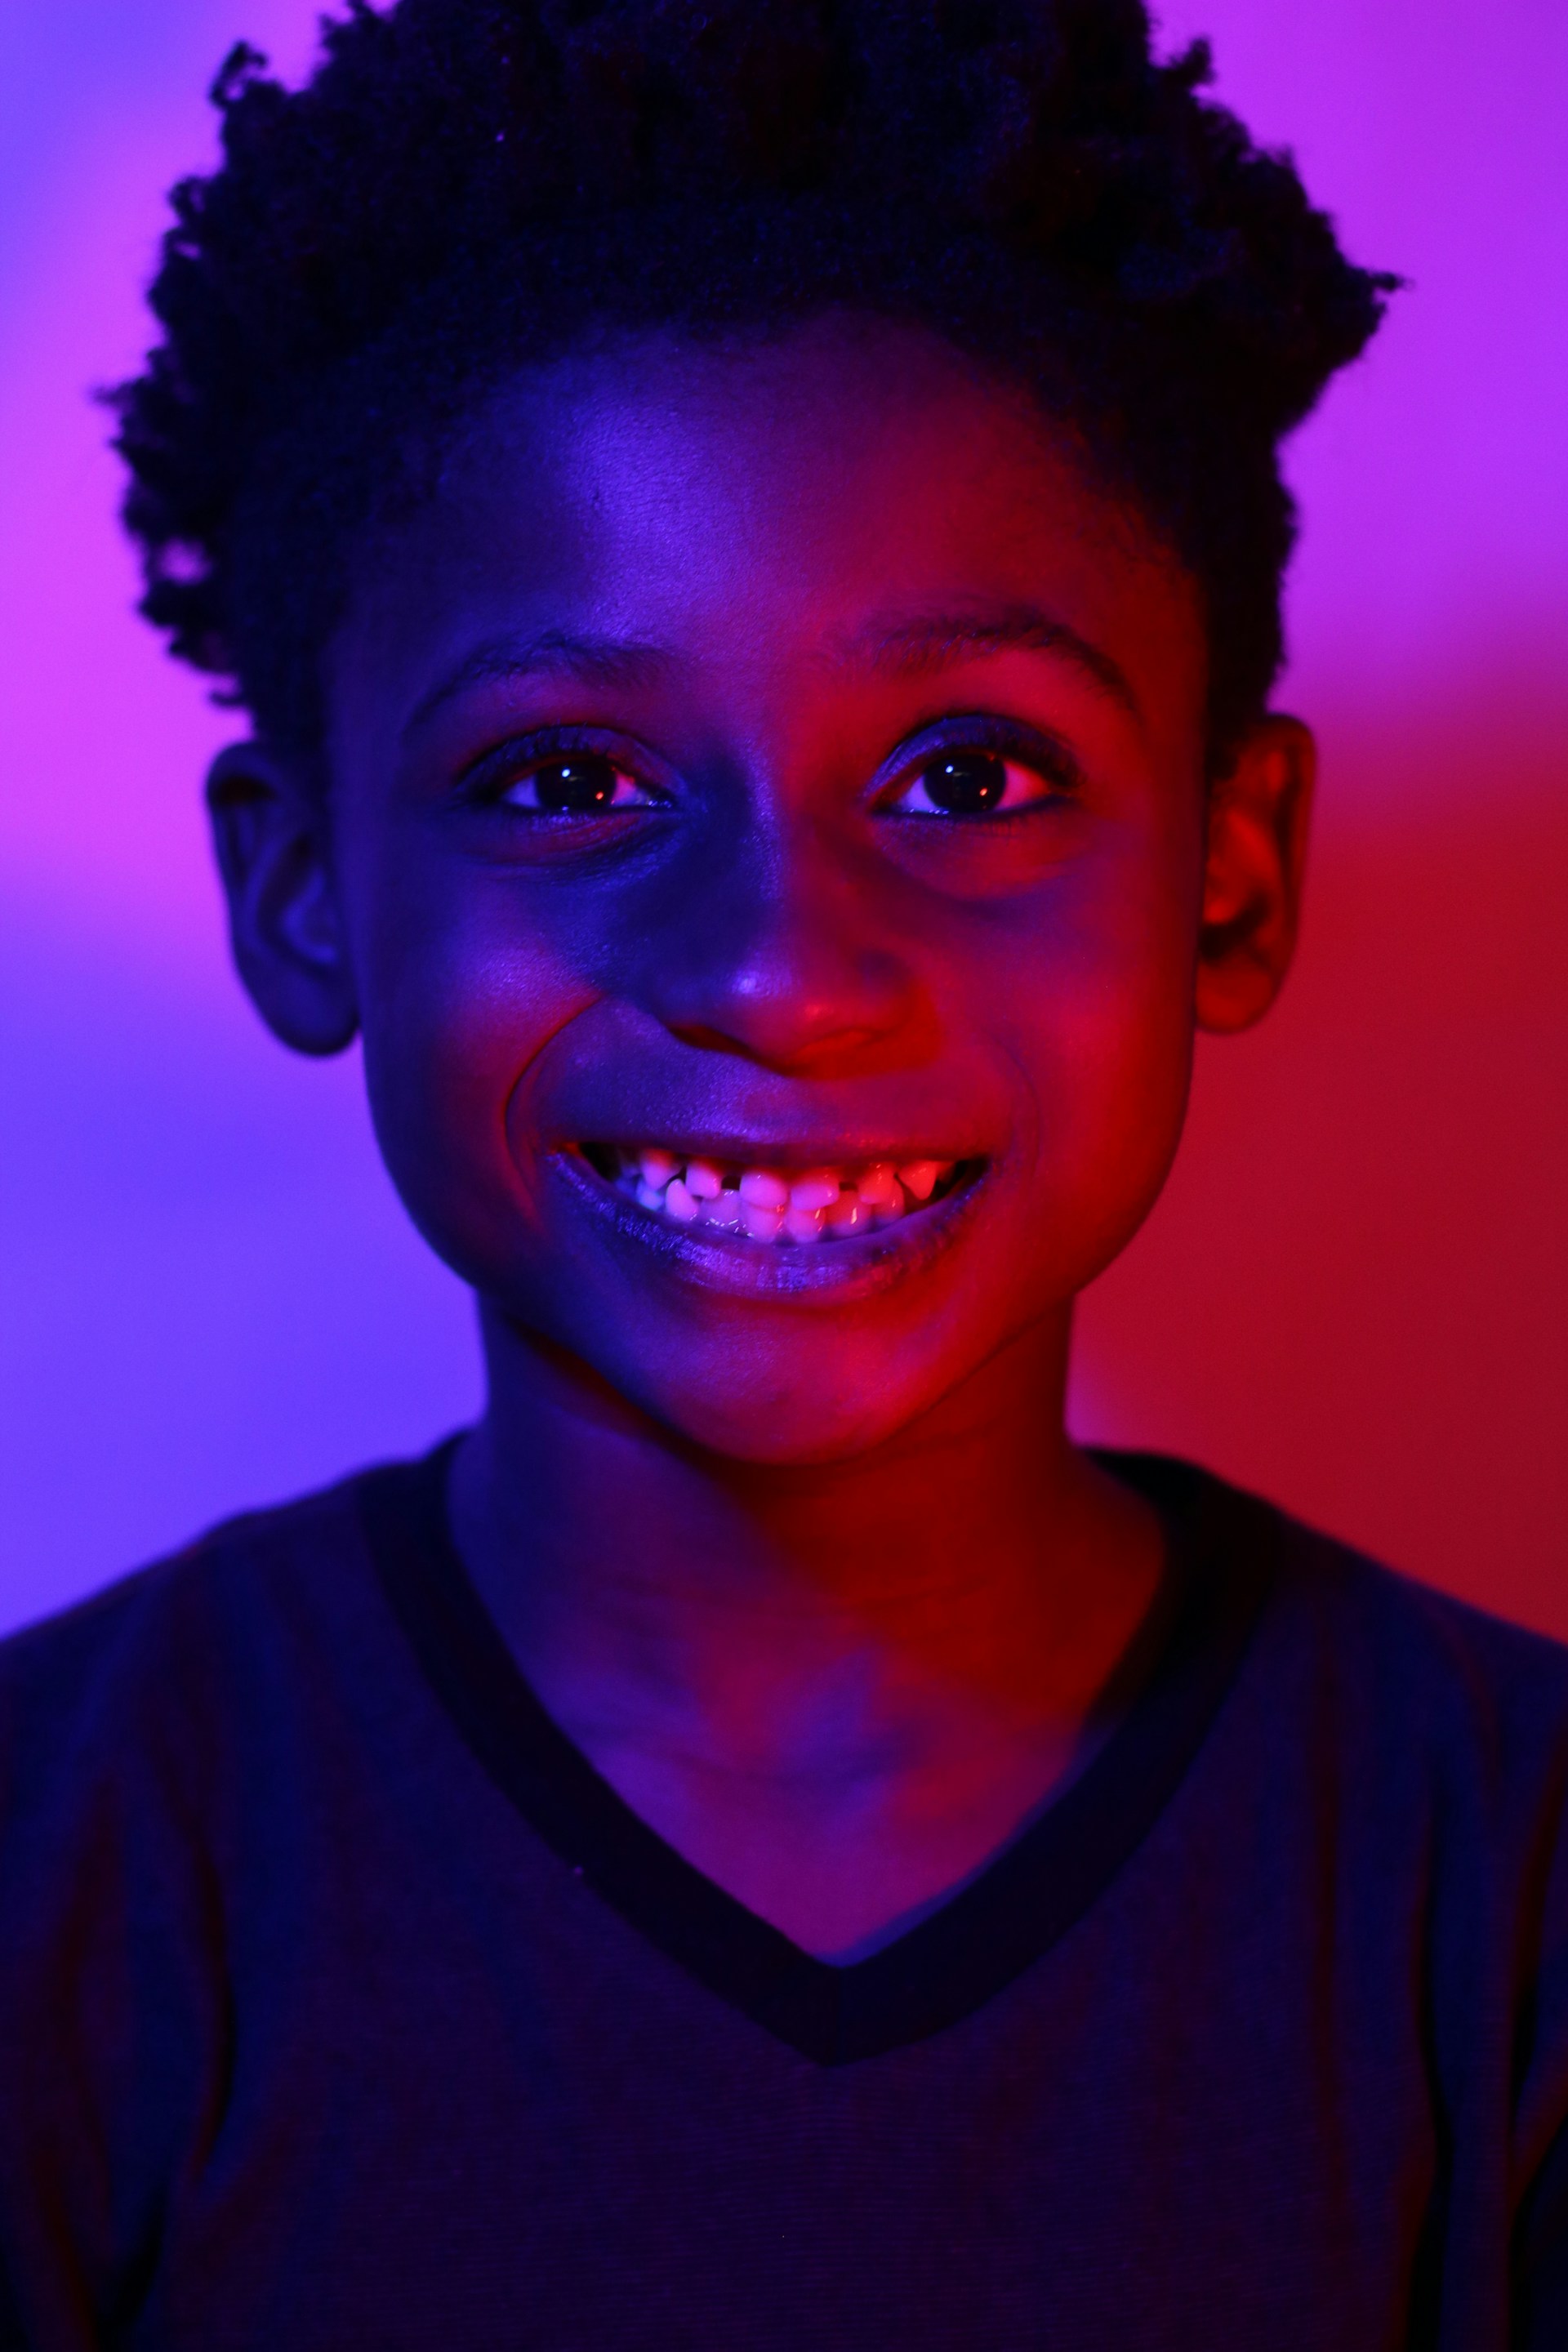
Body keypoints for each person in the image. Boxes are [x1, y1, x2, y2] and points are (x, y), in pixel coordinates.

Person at [2, 2, 1565, 2342]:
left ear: (1231, 879)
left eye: (967, 779)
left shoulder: (1508, 1872)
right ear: (306, 889)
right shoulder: (66, 1872)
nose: (784, 969)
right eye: (564, 783)